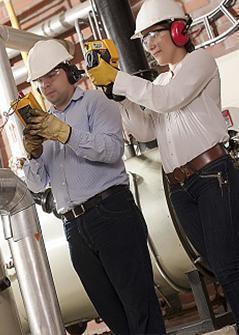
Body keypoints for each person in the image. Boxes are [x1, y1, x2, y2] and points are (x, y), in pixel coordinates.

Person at [87, 0, 239, 332]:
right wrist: (119, 96)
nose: (150, 45)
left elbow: (169, 100)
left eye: (154, 35)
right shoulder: (159, 84)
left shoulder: (199, 63)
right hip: (182, 187)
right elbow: (145, 130)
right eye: (143, 40)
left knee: (228, 266)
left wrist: (121, 78)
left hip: (212, 176)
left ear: (178, 30)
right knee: (216, 265)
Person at [22, 39, 166, 335]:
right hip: (73, 226)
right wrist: (34, 155)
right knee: (109, 311)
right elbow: (37, 184)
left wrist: (66, 134)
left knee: (139, 305)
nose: (45, 86)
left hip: (110, 212)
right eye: (39, 81)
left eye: (51, 76)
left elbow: (111, 150)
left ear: (69, 72)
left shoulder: (96, 103)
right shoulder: (42, 122)